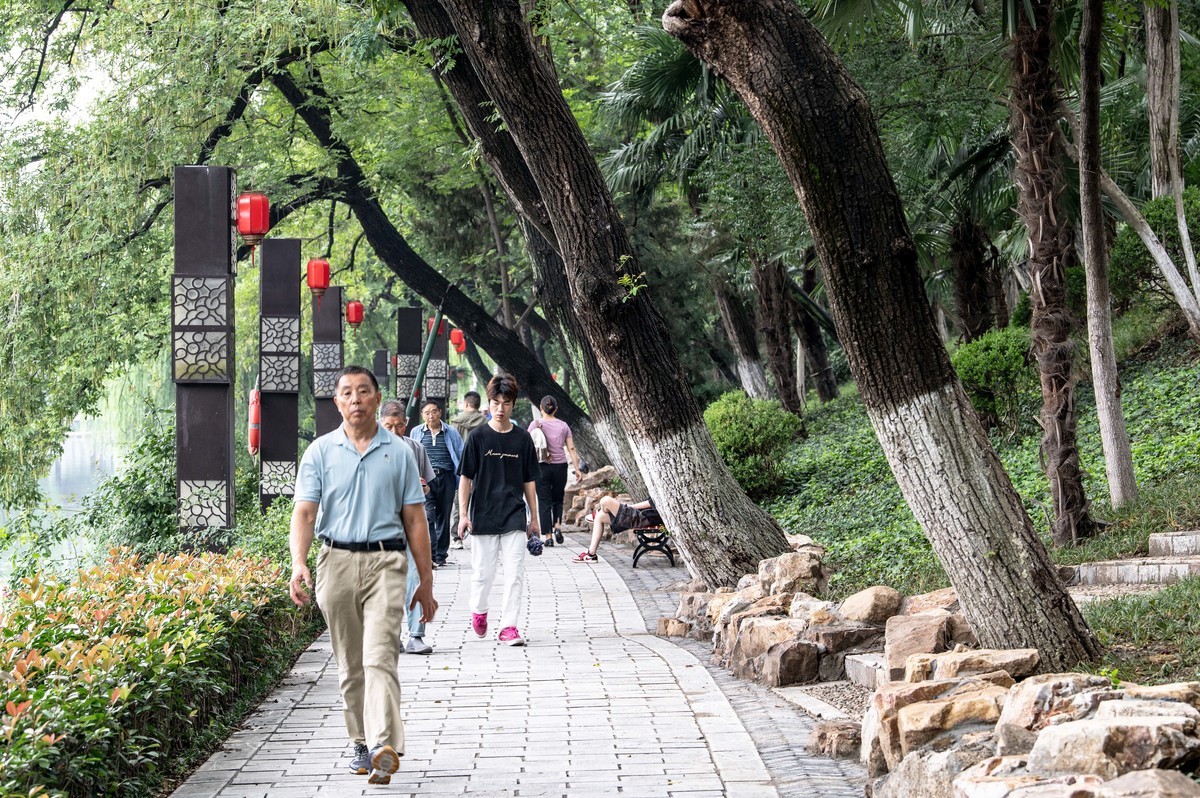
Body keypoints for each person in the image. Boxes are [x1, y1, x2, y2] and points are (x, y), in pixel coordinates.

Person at [289, 366, 437, 785]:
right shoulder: (319, 452)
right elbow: (304, 512)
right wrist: (299, 562)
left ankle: (383, 745)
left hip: (387, 563)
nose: (355, 399)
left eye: (363, 392)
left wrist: (425, 582)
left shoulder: (400, 452)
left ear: (376, 398)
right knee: (351, 665)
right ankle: (359, 741)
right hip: (334, 563)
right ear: (337, 402)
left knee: (379, 657)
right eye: (347, 393)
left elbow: (415, 520)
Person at [457, 374, 540, 646]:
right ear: (488, 404)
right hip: (483, 514)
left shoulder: (522, 439)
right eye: (495, 402)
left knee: (514, 574)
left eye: (506, 403)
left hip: (514, 515)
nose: (500, 408)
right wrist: (464, 515)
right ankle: (479, 611)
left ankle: (509, 627)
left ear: (513, 404)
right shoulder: (478, 437)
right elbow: (465, 479)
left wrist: (535, 519)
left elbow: (529, 482)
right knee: (483, 573)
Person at [379, 401, 436, 656]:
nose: (394, 431)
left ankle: (416, 635)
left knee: (415, 576)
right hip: (381, 524)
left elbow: (427, 487)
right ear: (379, 423)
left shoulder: (416, 448)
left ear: (406, 424)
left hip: (413, 523)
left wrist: (423, 487)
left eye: (399, 425)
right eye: (388, 426)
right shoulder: (367, 448)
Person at [409, 400, 464, 568]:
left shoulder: (451, 432)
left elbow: (460, 454)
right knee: (428, 516)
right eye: (427, 413)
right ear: (422, 415)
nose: (430, 416)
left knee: (443, 516)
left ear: (440, 412)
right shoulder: (416, 432)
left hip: (446, 477)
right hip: (425, 478)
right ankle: (431, 553)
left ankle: (441, 554)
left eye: (434, 412)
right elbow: (411, 454)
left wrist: (462, 480)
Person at [528, 396, 581, 547]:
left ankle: (548, 536)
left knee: (544, 501)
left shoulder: (535, 424)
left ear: (541, 407)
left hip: (541, 467)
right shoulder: (563, 426)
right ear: (556, 409)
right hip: (560, 467)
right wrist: (577, 469)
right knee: (558, 499)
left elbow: (527, 444)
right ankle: (557, 526)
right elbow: (571, 448)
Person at [448, 391, 486, 549]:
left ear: (466, 404)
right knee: (481, 500)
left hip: (460, 466)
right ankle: (482, 533)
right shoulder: (485, 422)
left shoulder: (456, 423)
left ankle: (457, 537)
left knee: (460, 502)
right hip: (481, 466)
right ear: (477, 405)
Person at [573, 496, 662, 563]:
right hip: (639, 516)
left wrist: (628, 507)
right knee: (600, 517)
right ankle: (591, 554)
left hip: (641, 518)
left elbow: (651, 503)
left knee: (605, 501)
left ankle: (601, 512)